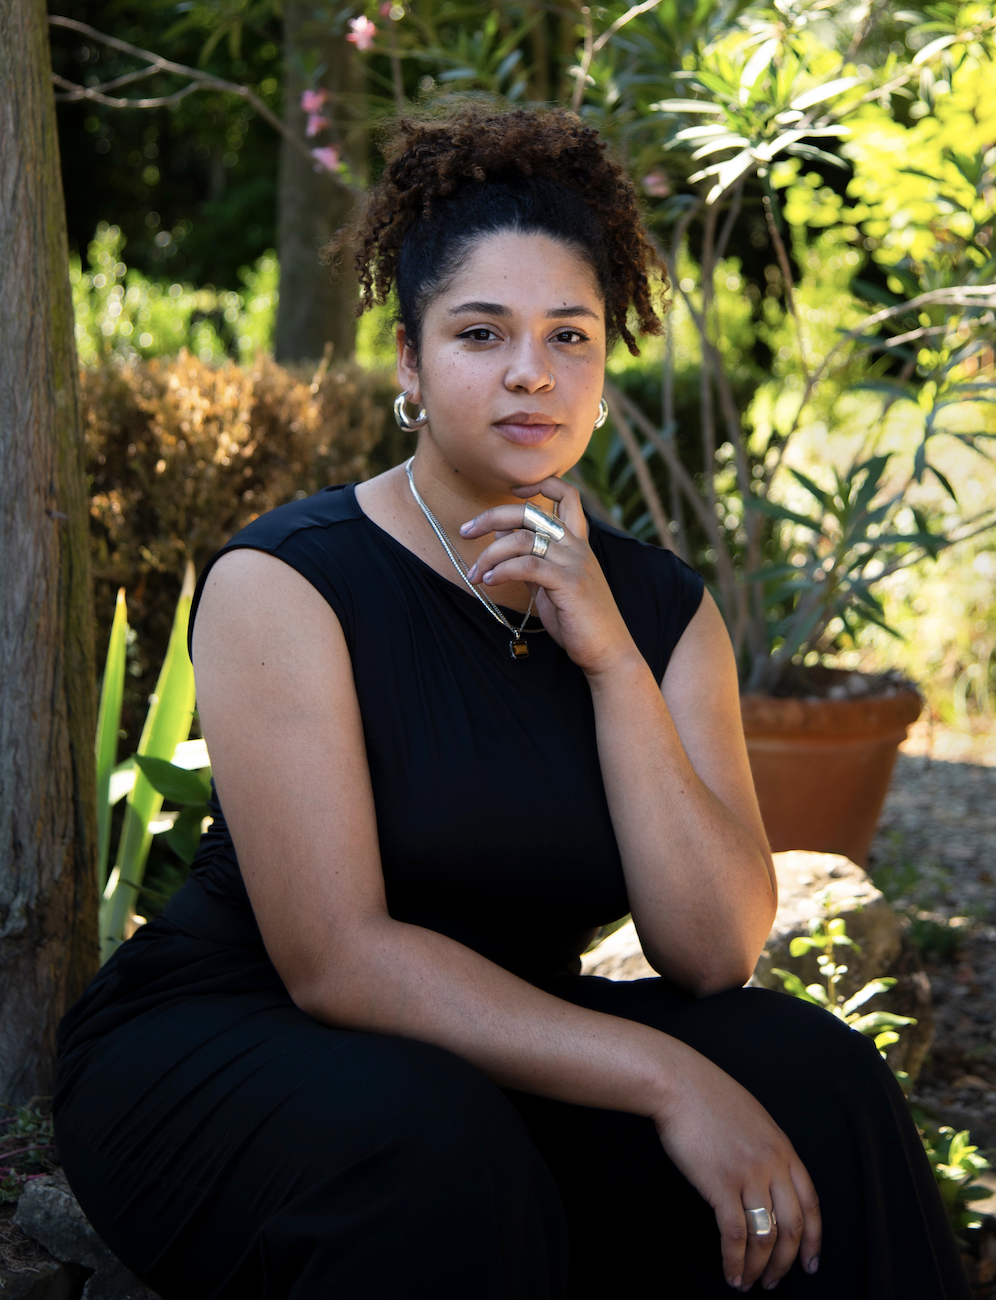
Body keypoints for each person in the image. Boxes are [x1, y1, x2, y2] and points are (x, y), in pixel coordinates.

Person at [55, 102, 969, 1300]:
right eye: (482, 333)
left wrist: (609, 659)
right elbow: (337, 960)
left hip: (505, 1046)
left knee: (817, 1074)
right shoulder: (287, 580)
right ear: (409, 363)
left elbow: (711, 948)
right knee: (436, 1140)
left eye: (571, 336)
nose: (532, 371)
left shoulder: (658, 608)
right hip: (240, 1040)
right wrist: (666, 1077)